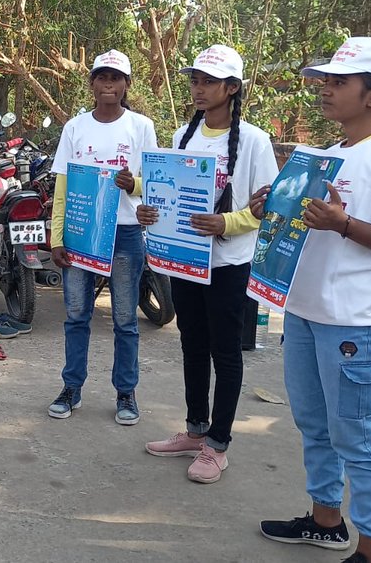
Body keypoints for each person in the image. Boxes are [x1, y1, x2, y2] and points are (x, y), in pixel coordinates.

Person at [256, 37, 371, 563]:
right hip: (305, 310)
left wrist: (345, 224)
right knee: (314, 423)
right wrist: (273, 204)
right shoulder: (326, 155)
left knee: (356, 434)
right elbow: (300, 228)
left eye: (339, 82)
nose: (325, 90)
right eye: (326, 80)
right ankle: (325, 520)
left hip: (355, 320)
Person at [137, 45, 279, 483]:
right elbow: (166, 191)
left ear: (232, 88)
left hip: (229, 263)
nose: (198, 88)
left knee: (225, 351)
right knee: (192, 346)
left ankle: (218, 444)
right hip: (185, 262)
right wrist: (148, 209)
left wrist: (226, 222)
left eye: (208, 81)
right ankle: (196, 430)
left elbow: (268, 208)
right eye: (195, 80)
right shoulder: (184, 134)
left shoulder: (255, 141)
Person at [48, 49, 158, 425]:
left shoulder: (141, 127)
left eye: (116, 78)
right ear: (92, 83)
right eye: (102, 77)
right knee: (77, 315)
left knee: (125, 320)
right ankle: (71, 387)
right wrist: (56, 237)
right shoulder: (75, 128)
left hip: (125, 234)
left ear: (127, 85)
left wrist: (135, 184)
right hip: (81, 233)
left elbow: (156, 184)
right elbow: (62, 184)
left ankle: (126, 393)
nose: (108, 84)